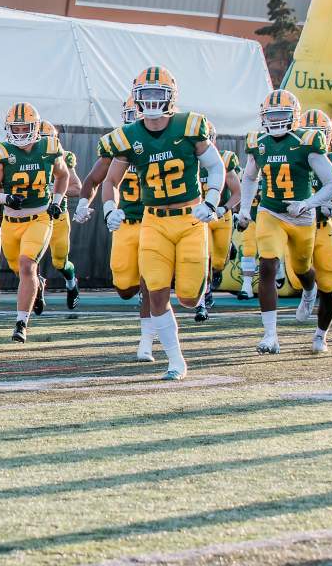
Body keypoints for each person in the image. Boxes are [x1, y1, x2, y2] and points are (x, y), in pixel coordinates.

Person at [100, 67, 224, 381]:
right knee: (155, 292)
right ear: (137, 99)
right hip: (152, 221)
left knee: (189, 298)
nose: (152, 101)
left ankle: (195, 299)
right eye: (146, 95)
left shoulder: (189, 126)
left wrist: (211, 201)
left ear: (171, 96)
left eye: (158, 94)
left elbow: (215, 166)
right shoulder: (129, 135)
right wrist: (108, 208)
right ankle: (176, 361)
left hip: (190, 218)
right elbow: (110, 180)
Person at [236, 90, 332, 355]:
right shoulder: (258, 142)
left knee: (303, 268)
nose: (276, 120)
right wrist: (246, 209)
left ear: (294, 116)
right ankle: (270, 335)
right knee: (268, 265)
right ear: (263, 117)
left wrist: (307, 203)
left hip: (302, 217)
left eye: (282, 114)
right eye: (271, 115)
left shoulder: (306, 141)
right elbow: (249, 177)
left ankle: (309, 291)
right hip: (271, 212)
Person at [76, 97, 155, 361]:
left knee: (149, 282)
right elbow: (94, 179)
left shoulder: (164, 139)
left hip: (155, 221)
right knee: (124, 288)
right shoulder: (118, 142)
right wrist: (83, 204)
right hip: (124, 222)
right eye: (132, 112)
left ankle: (146, 339)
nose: (138, 115)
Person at [0, 103, 69, 343]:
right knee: (18, 269)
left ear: (35, 127)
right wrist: (5, 198)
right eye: (15, 129)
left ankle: (21, 323)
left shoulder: (50, 147)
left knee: (27, 264)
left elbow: (63, 175)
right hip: (11, 220)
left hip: (40, 217)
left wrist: (58, 200)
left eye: (24, 128)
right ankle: (37, 286)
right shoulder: (2, 152)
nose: (20, 134)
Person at [291, 109, 332, 350]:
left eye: (320, 133)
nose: (315, 138)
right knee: (300, 274)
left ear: (330, 137)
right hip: (296, 227)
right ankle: (308, 291)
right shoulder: (290, 155)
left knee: (329, 285)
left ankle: (320, 336)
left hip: (322, 227)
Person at [196, 122, 242, 321]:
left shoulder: (225, 159)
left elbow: (238, 192)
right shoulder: (189, 159)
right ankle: (204, 297)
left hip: (222, 216)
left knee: (219, 262)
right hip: (200, 217)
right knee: (204, 257)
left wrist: (225, 207)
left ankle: (228, 248)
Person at [38, 120, 81, 310]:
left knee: (59, 261)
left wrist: (54, 191)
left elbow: (76, 188)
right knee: (29, 258)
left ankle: (72, 284)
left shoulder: (63, 158)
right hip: (33, 216)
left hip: (57, 216)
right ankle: (36, 287)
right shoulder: (21, 157)